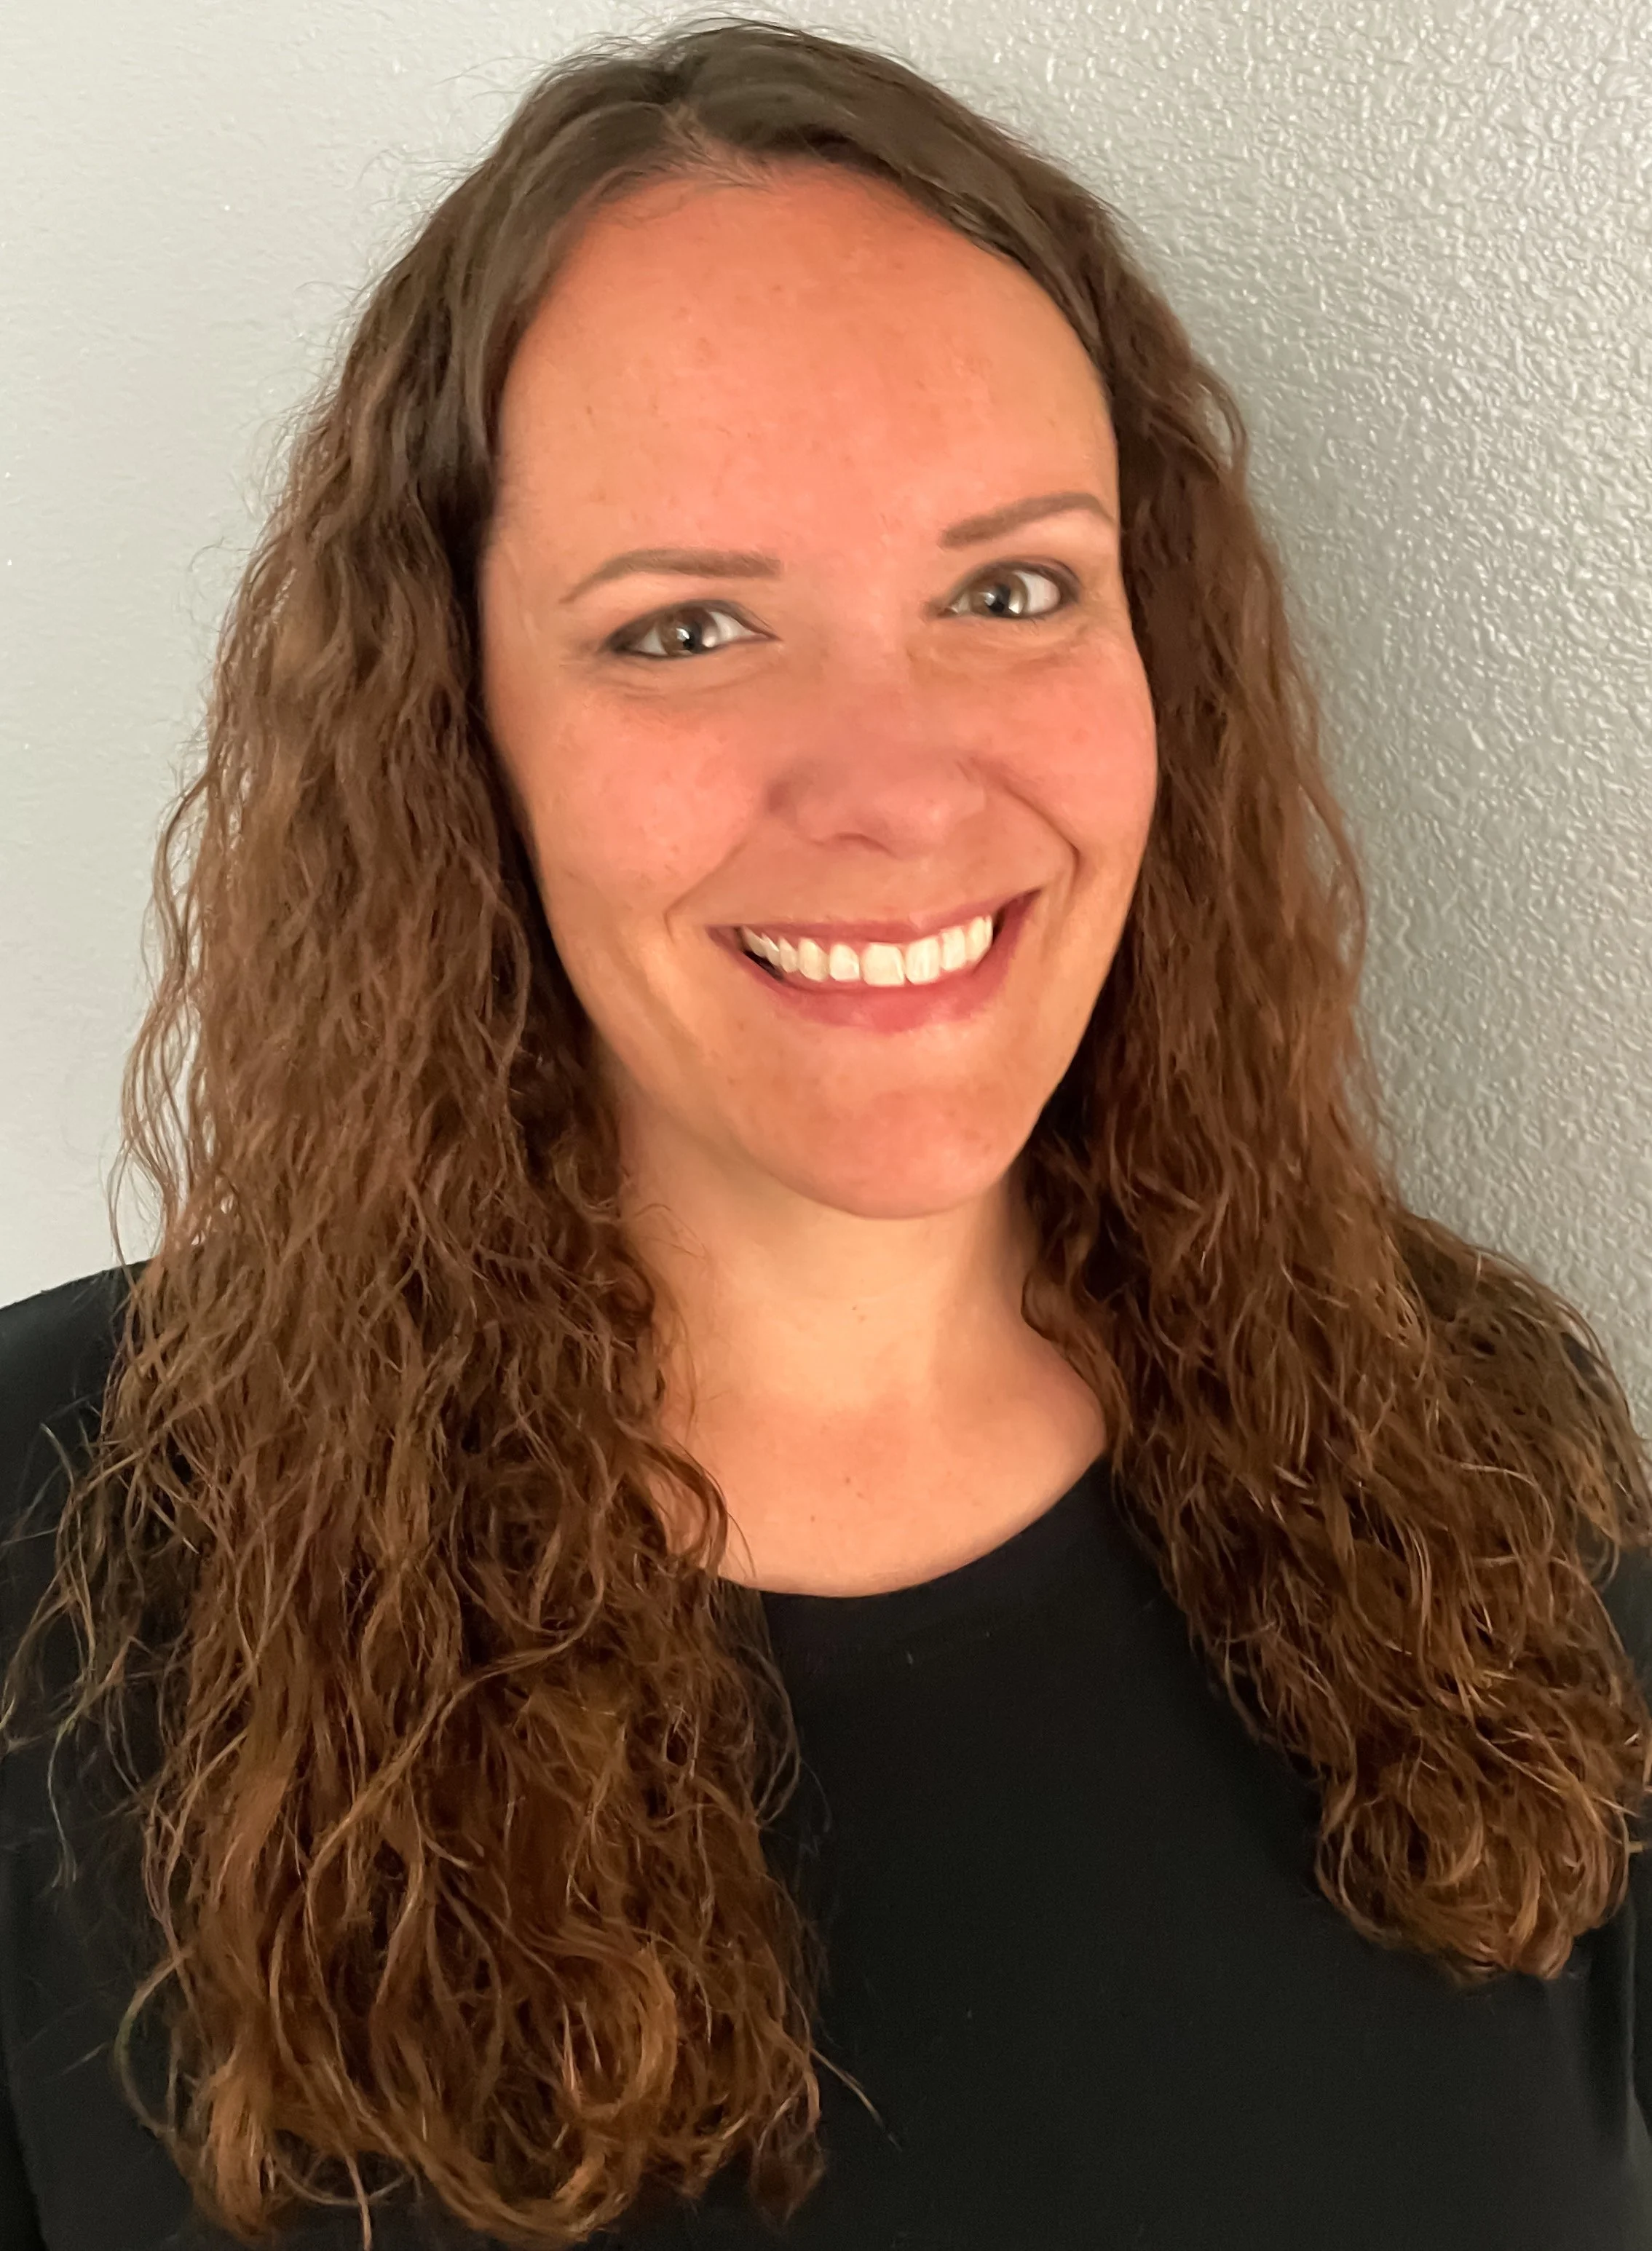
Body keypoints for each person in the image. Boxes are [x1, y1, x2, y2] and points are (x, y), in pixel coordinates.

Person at [1, 16, 1650, 2250]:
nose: (891, 786)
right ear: (452, 735)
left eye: (1007, 589)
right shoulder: (46, 1554)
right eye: (684, 626)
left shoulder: (1490, 1475)